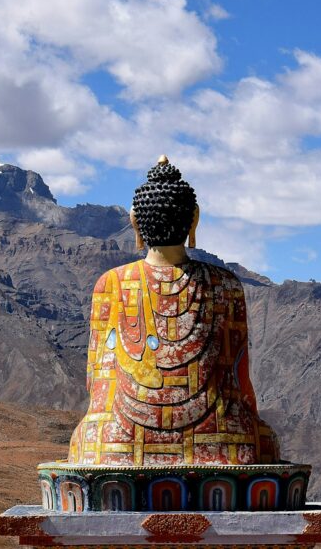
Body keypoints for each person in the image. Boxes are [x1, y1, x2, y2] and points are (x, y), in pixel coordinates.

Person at [67, 156, 280, 466]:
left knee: (89, 441)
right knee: (263, 443)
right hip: (222, 440)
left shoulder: (111, 283)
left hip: (119, 443)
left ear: (135, 221)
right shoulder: (225, 285)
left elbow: (96, 381)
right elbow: (239, 379)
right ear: (194, 220)